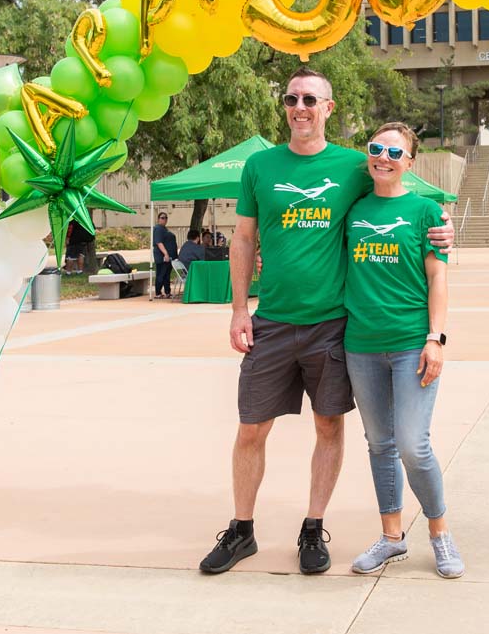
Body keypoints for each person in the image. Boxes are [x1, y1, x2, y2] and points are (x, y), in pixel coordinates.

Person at [201, 66, 453, 576]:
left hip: (334, 326)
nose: (301, 108)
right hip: (270, 320)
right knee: (251, 428)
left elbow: (411, 193)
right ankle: (242, 530)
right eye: (293, 98)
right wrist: (237, 310)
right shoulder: (259, 167)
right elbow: (244, 239)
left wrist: (448, 232)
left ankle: (313, 528)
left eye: (311, 100)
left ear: (328, 108)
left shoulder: (355, 166)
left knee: (329, 426)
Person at [343, 123, 462, 578]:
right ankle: (391, 538)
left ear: (409, 162)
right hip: (361, 346)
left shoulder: (426, 211)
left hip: (413, 342)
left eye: (395, 152)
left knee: (413, 445)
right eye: (376, 149)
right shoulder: (352, 210)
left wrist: (436, 339)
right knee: (380, 444)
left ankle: (439, 533)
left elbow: (438, 278)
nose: (384, 157)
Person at [152, 212, 178, 299]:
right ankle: (158, 292)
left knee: (167, 275)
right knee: (161, 274)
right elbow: (159, 242)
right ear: (158, 219)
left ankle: (167, 292)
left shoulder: (164, 229)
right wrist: (165, 254)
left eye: (166, 218)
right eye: (162, 218)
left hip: (170, 258)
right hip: (162, 257)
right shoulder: (158, 229)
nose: (164, 219)